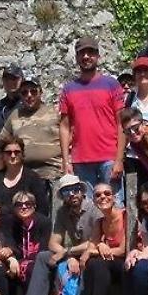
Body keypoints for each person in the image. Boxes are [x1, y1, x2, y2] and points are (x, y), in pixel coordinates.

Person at [14, 174, 101, 295]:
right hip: (73, 253)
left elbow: (93, 242)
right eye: (67, 191)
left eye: (75, 190)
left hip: (94, 253)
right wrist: (67, 256)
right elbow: (53, 242)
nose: (72, 194)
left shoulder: (94, 209)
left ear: (82, 191)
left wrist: (67, 253)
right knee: (43, 257)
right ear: (62, 196)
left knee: (84, 263)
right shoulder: (62, 212)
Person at [59, 36, 126, 202]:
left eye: (90, 52)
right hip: (81, 161)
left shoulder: (111, 85)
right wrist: (66, 161)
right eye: (82, 53)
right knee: (87, 214)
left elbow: (121, 123)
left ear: (98, 56)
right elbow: (64, 127)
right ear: (76, 58)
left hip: (109, 159)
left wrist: (119, 159)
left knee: (115, 210)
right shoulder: (69, 89)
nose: (86, 56)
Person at [67, 183, 127, 295]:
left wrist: (96, 248)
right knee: (93, 263)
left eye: (107, 194)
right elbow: (89, 249)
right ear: (94, 200)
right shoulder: (99, 222)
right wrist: (98, 246)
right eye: (98, 195)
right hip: (109, 262)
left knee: (98, 263)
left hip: (125, 261)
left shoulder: (125, 216)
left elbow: (122, 250)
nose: (103, 197)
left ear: (114, 197)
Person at [1, 73, 61, 209]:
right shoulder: (14, 116)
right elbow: (2, 143)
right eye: (24, 92)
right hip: (25, 177)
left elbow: (71, 137)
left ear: (41, 92)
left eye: (33, 91)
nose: (29, 95)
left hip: (54, 174)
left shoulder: (55, 112)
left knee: (55, 220)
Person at [0, 190, 51, 295]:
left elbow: (43, 249)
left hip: (37, 261)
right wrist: (12, 257)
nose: (23, 207)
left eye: (28, 204)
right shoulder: (9, 222)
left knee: (31, 269)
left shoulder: (44, 222)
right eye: (19, 204)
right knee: (1, 270)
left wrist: (24, 262)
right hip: (17, 260)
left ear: (34, 206)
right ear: (14, 208)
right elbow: (10, 244)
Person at [0, 136, 51, 218]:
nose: (13, 155)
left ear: (22, 154)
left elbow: (42, 210)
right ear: (2, 155)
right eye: (8, 152)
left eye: (17, 152)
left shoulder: (33, 179)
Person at [0, 63, 24, 143]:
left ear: (22, 80)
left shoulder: (29, 105)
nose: (10, 82)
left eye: (14, 78)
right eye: (7, 79)